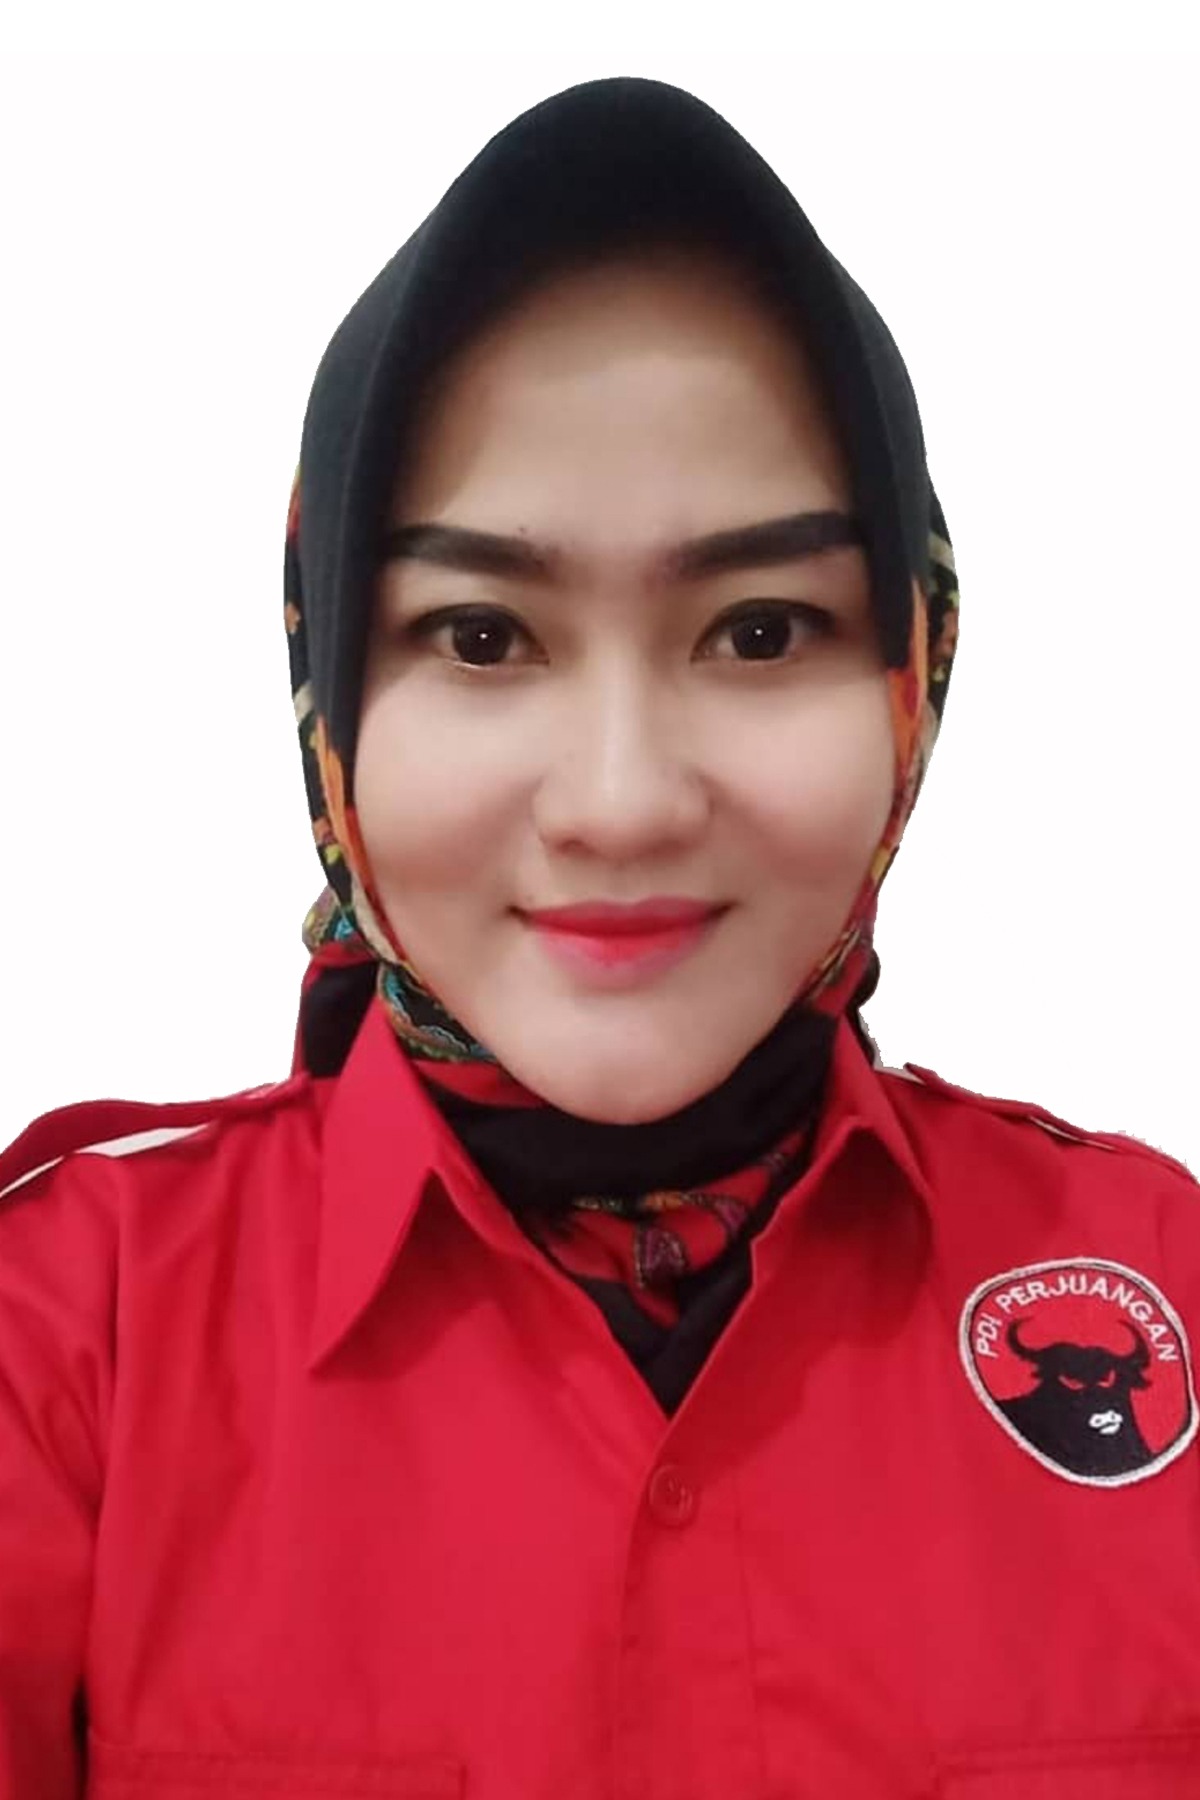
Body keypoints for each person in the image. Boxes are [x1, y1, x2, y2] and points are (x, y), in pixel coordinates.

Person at [2, 73, 1199, 1800]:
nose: (623, 804)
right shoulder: (68, 1347)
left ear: (914, 677)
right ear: (328, 699)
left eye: (762, 629)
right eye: (481, 636)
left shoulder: (1162, 1278)